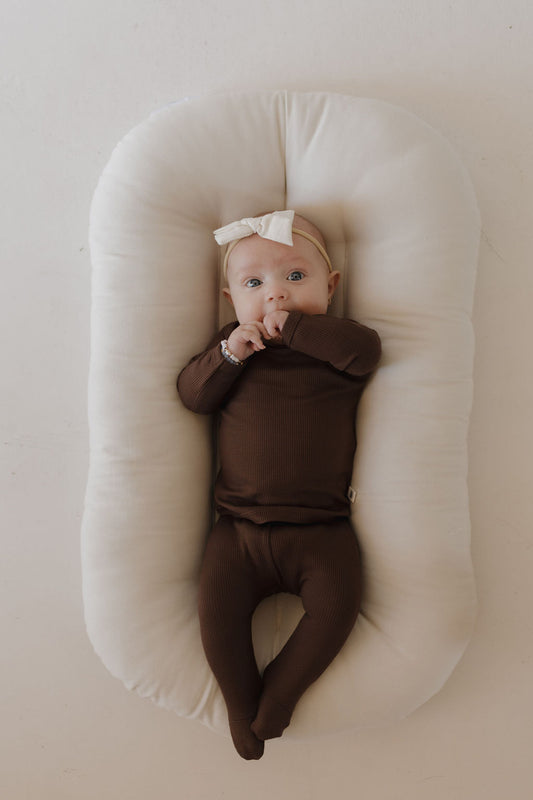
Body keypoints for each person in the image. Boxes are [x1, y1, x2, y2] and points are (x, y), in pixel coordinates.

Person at [177, 210, 381, 760]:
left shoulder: (339, 345)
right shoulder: (233, 349)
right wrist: (228, 355)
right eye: (254, 285)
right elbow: (193, 396)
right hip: (237, 530)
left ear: (330, 286)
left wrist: (295, 330)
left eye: (295, 278)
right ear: (230, 299)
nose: (276, 297)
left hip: (322, 530)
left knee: (338, 607)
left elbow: (367, 354)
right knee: (216, 611)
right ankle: (243, 708)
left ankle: (282, 695)